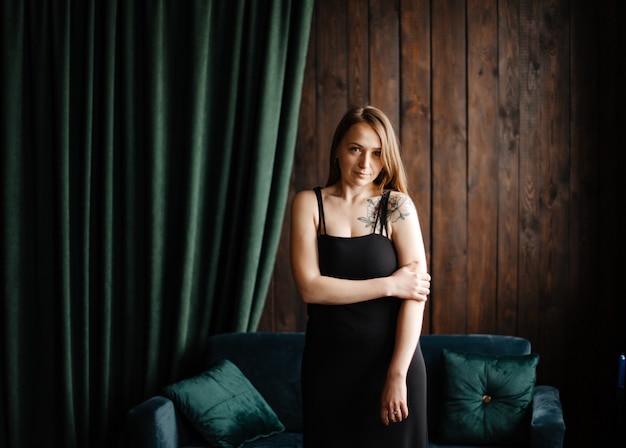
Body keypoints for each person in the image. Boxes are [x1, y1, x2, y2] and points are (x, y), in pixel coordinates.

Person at [290, 105, 431, 448]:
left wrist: (397, 374)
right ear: (338, 149)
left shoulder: (397, 206)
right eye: (356, 149)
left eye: (377, 153)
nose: (365, 164)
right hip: (327, 369)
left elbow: (414, 296)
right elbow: (310, 287)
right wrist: (389, 284)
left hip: (391, 365)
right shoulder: (309, 203)